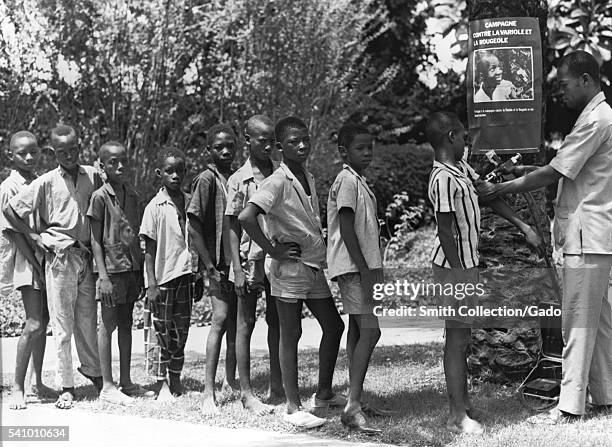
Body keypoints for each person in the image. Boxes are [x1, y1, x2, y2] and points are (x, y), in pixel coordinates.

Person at [478, 50, 612, 423]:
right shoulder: (596, 117)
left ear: (586, 80)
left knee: (577, 321)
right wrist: (527, 168)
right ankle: (605, 396)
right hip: (595, 235)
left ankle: (568, 406)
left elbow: (556, 172)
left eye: (565, 85)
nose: (561, 93)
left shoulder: (597, 119)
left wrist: (501, 189)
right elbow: (567, 168)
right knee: (598, 321)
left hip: (587, 235)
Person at [426, 111, 543, 434]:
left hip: (466, 264)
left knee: (463, 338)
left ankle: (463, 404)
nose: (467, 143)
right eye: (464, 137)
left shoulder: (460, 170)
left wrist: (523, 227)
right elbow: (446, 231)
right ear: (450, 137)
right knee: (457, 337)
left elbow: (487, 197)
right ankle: (456, 415)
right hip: (453, 267)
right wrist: (461, 274)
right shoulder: (442, 179)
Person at [239, 116, 345, 429]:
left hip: (312, 266)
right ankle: (293, 406)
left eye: (305, 139)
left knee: (334, 326)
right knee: (290, 333)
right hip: (289, 268)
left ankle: (323, 394)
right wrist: (272, 251)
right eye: (293, 142)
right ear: (280, 147)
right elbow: (247, 216)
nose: (302, 145)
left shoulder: (306, 175)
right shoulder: (276, 181)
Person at [4, 124, 103, 409]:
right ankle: (62, 386)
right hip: (51, 258)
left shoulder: (90, 175)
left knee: (85, 320)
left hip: (83, 256)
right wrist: (36, 239)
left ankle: (93, 372)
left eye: (74, 149)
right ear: (53, 153)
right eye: (62, 152)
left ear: (80, 147)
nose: (69, 155)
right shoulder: (43, 181)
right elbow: (10, 213)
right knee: (55, 325)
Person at [327, 123, 389, 433]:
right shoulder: (347, 181)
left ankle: (356, 399)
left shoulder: (358, 181)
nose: (367, 152)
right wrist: (365, 270)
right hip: (354, 268)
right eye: (360, 148)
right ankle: (351, 406)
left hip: (361, 266)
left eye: (370, 147)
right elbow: (347, 228)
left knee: (356, 330)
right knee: (371, 331)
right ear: (343, 152)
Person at [87, 141, 155, 404]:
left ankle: (126, 381)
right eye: (113, 162)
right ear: (102, 166)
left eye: (123, 160)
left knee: (127, 323)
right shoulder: (100, 197)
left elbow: (134, 234)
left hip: (130, 268)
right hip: (110, 272)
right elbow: (95, 241)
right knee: (108, 324)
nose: (120, 166)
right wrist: (102, 277)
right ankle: (107, 385)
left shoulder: (133, 195)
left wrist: (139, 272)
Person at [225, 115, 282, 415]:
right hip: (250, 260)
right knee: (245, 323)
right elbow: (232, 227)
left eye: (272, 140)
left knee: (279, 321)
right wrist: (236, 268)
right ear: (248, 140)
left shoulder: (280, 173)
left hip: (279, 257)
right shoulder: (238, 180)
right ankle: (246, 393)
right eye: (262, 140)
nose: (269, 145)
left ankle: (278, 385)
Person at [1, 131, 56, 409]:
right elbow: (14, 234)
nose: (30, 157)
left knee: (43, 323)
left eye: (34, 151)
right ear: (11, 155)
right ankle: (17, 387)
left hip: (43, 260)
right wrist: (36, 264)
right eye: (23, 153)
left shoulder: (40, 181)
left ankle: (38, 382)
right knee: (33, 323)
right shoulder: (9, 186)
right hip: (27, 261)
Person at [188, 123, 239, 415]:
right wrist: (208, 266)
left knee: (235, 322)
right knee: (219, 320)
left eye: (230, 145)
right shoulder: (206, 179)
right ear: (209, 150)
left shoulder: (234, 177)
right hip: (217, 264)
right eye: (219, 146)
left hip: (236, 263)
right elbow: (194, 224)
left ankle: (229, 382)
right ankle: (208, 391)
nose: (225, 151)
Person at [140, 148, 196, 401]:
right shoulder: (155, 207)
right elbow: (149, 249)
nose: (175, 175)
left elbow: (193, 241)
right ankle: (161, 383)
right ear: (159, 173)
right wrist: (151, 284)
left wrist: (198, 275)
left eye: (179, 171)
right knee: (160, 331)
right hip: (163, 278)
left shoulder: (189, 201)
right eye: (169, 171)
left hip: (186, 274)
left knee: (180, 331)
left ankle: (176, 379)